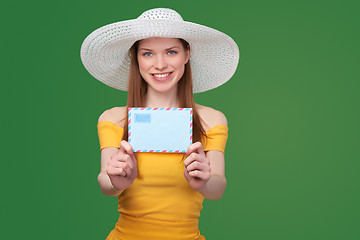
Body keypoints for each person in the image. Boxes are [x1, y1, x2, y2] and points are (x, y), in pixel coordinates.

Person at [80, 8, 239, 240]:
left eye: (171, 51)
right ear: (135, 57)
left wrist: (204, 181)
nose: (160, 64)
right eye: (148, 54)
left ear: (187, 54)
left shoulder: (211, 120)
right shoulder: (113, 118)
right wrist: (117, 180)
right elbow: (105, 183)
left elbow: (218, 188)